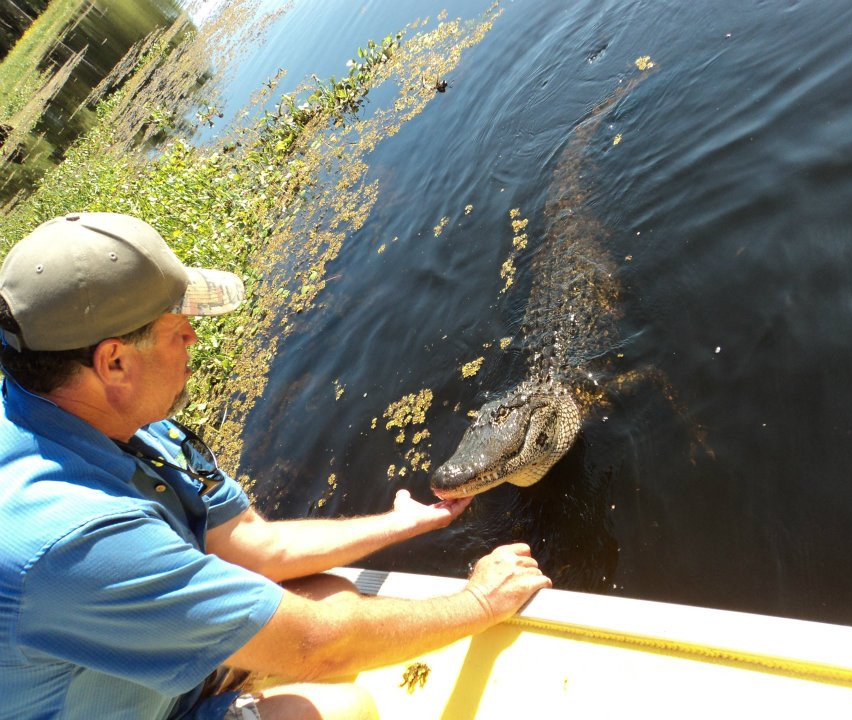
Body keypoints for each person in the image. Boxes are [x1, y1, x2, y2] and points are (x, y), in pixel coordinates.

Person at [0, 212, 551, 720]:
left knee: (332, 592)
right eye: (176, 326)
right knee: (336, 708)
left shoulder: (96, 410)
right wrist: (479, 602)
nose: (193, 335)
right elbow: (319, 646)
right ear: (114, 361)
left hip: (136, 671)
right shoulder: (76, 539)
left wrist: (403, 522)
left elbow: (252, 547)